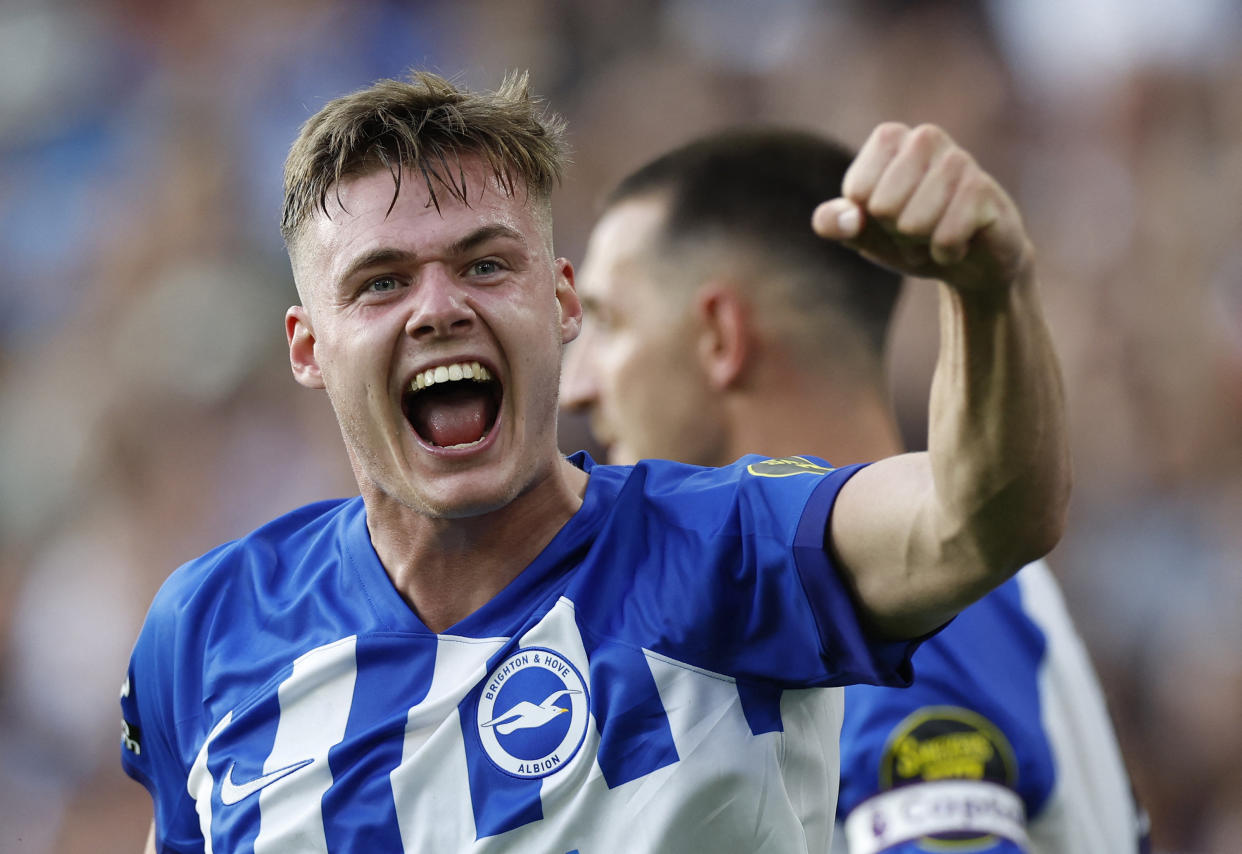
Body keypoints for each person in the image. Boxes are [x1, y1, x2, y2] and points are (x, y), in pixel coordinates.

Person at [120, 71, 1070, 853]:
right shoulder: (203, 632)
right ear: (307, 346)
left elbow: (982, 517)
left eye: (487, 264)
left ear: (563, 302)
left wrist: (988, 295)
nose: (438, 307)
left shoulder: (725, 547)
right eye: (382, 282)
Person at [560, 128, 1149, 852]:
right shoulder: (884, 593)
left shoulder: (908, 614)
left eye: (610, 323)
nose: (577, 386)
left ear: (720, 337)